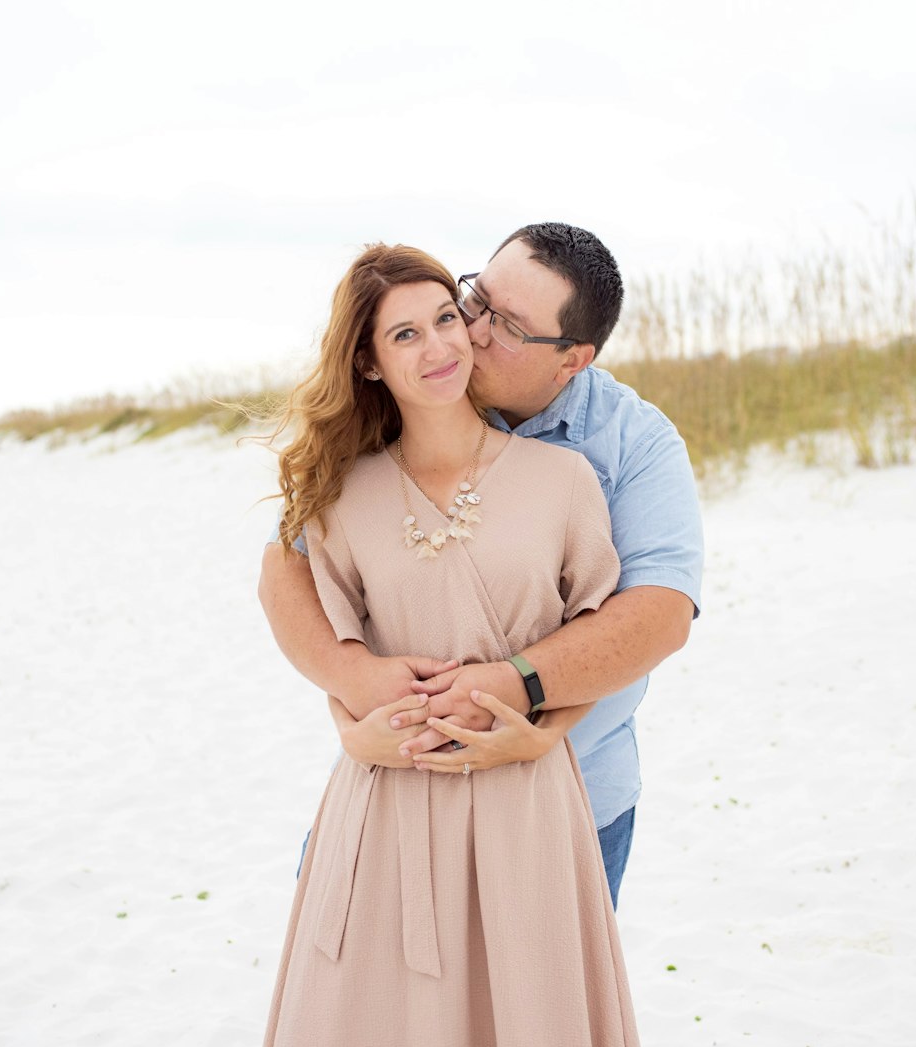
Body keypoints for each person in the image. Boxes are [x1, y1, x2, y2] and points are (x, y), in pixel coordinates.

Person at [235, 243, 667, 1047]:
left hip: (527, 803)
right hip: (385, 801)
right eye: (408, 330)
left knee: (529, 1044)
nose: (447, 341)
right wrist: (351, 717)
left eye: (447, 319)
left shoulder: (566, 478)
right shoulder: (338, 492)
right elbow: (308, 612)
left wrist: (539, 728)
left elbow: (616, 627)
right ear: (366, 360)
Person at [259, 223, 703, 906]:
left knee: (541, 1005)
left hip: (572, 787)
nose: (471, 331)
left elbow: (658, 616)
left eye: (509, 326)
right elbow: (287, 572)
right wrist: (355, 682)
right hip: (400, 781)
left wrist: (515, 687)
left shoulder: (631, 445)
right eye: (477, 299)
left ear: (572, 359)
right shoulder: (411, 395)